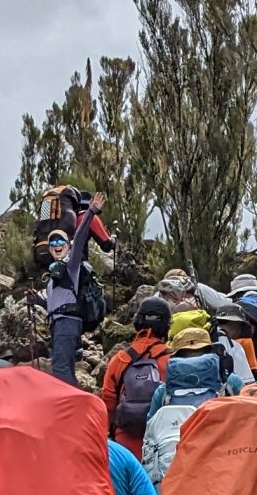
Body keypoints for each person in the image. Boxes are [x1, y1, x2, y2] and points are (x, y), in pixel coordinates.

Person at [141, 320, 241, 486]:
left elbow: (151, 429)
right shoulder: (229, 382)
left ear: (176, 355)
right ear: (210, 350)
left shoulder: (164, 390)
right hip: (221, 462)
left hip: (173, 467)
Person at [43, 194, 111, 386]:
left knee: (61, 369)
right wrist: (37, 301)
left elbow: (80, 237)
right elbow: (55, 302)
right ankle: (73, 405)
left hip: (67, 323)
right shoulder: (53, 275)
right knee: (64, 367)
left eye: (61, 243)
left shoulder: (71, 264)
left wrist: (90, 212)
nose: (57, 246)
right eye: (53, 244)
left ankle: (71, 407)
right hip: (59, 324)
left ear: (68, 247)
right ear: (49, 249)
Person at [101, 297, 172, 458]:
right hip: (162, 443)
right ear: (166, 327)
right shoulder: (173, 360)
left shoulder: (120, 360)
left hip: (124, 443)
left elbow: (108, 405)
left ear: (137, 322)